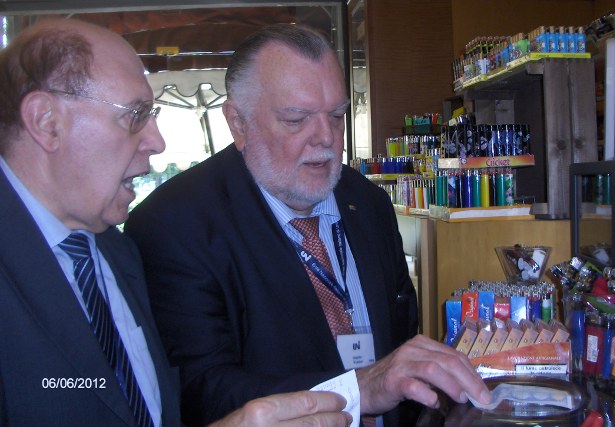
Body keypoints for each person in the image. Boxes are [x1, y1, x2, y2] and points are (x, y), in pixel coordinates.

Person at [125, 23, 491, 427]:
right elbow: (199, 390)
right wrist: (359, 389)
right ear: (238, 123)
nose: (326, 139)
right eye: (297, 119)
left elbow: (401, 344)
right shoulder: (175, 224)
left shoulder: (369, 203)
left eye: (336, 116)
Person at [0, 18, 352, 427]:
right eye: (135, 115)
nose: (157, 141)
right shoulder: (161, 229)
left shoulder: (117, 251)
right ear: (46, 121)